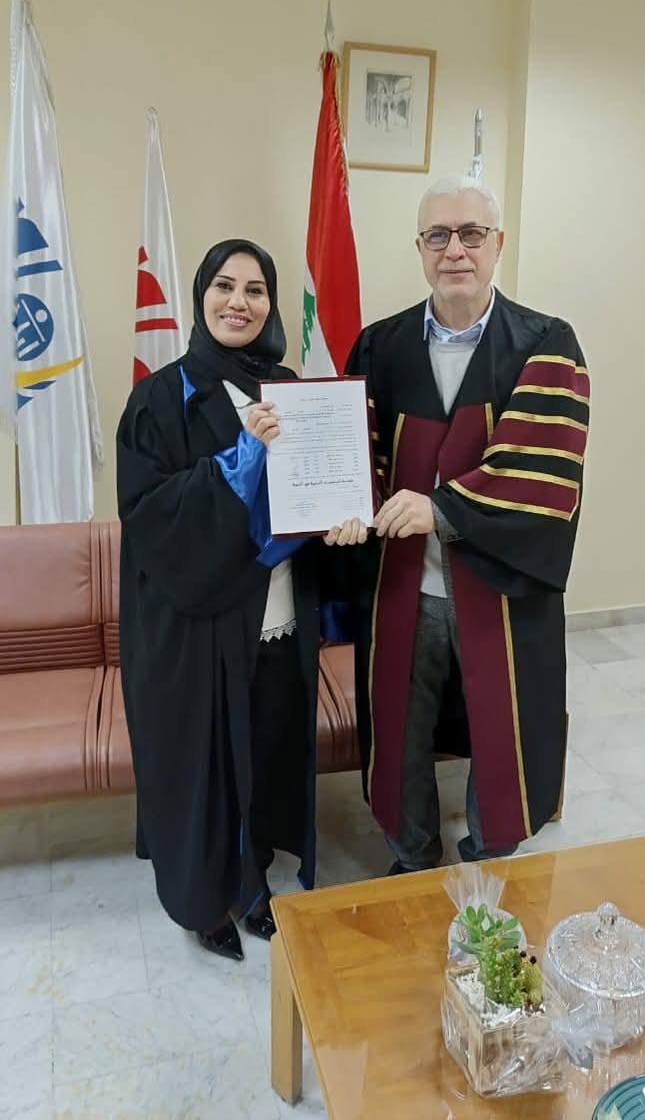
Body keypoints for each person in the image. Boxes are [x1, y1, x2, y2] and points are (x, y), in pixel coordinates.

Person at [117, 238, 364, 960]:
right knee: (203, 768)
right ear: (202, 296)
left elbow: (314, 495)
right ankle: (204, 902)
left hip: (278, 618)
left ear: (270, 305)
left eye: (255, 290)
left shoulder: (291, 389)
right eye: (224, 286)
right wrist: (240, 460)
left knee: (264, 751)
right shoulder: (160, 398)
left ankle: (253, 883)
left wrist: (342, 521)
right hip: (194, 629)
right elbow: (151, 517)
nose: (239, 302)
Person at [344, 176, 589, 873]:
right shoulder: (380, 345)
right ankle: (411, 856)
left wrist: (442, 508)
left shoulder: (546, 344)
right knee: (400, 725)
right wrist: (333, 503)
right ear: (420, 248)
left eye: (471, 234)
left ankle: (489, 858)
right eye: (438, 235)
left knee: (504, 726)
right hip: (405, 587)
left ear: (497, 244)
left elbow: (543, 472)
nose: (455, 250)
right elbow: (356, 459)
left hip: (501, 587)